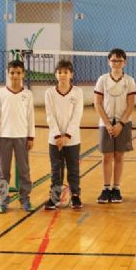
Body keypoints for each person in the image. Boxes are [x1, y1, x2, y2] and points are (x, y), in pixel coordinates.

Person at [0, 59, 35, 213]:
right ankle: (3, 199)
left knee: (24, 170)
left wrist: (31, 137)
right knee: (3, 171)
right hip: (4, 137)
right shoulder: (1, 93)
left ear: (23, 74)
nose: (15, 76)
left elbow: (30, 117)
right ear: (8, 74)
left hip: (22, 137)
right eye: (12, 73)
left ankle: (25, 199)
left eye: (18, 73)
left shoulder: (28, 94)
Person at [94, 48, 136, 204]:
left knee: (119, 155)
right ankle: (106, 188)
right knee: (107, 156)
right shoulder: (102, 80)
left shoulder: (129, 81)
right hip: (105, 123)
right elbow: (97, 103)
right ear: (108, 62)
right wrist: (107, 123)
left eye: (119, 61)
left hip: (123, 123)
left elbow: (131, 105)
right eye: (113, 60)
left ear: (124, 63)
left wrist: (121, 123)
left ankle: (116, 188)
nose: (116, 63)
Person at [44, 60, 84, 210]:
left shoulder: (78, 92)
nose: (62, 75)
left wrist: (67, 136)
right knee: (56, 169)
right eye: (59, 72)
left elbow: (77, 115)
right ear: (55, 74)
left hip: (72, 140)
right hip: (54, 140)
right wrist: (57, 136)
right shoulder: (49, 93)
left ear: (71, 74)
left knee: (73, 169)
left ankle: (75, 196)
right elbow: (50, 115)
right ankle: (54, 197)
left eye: (65, 72)